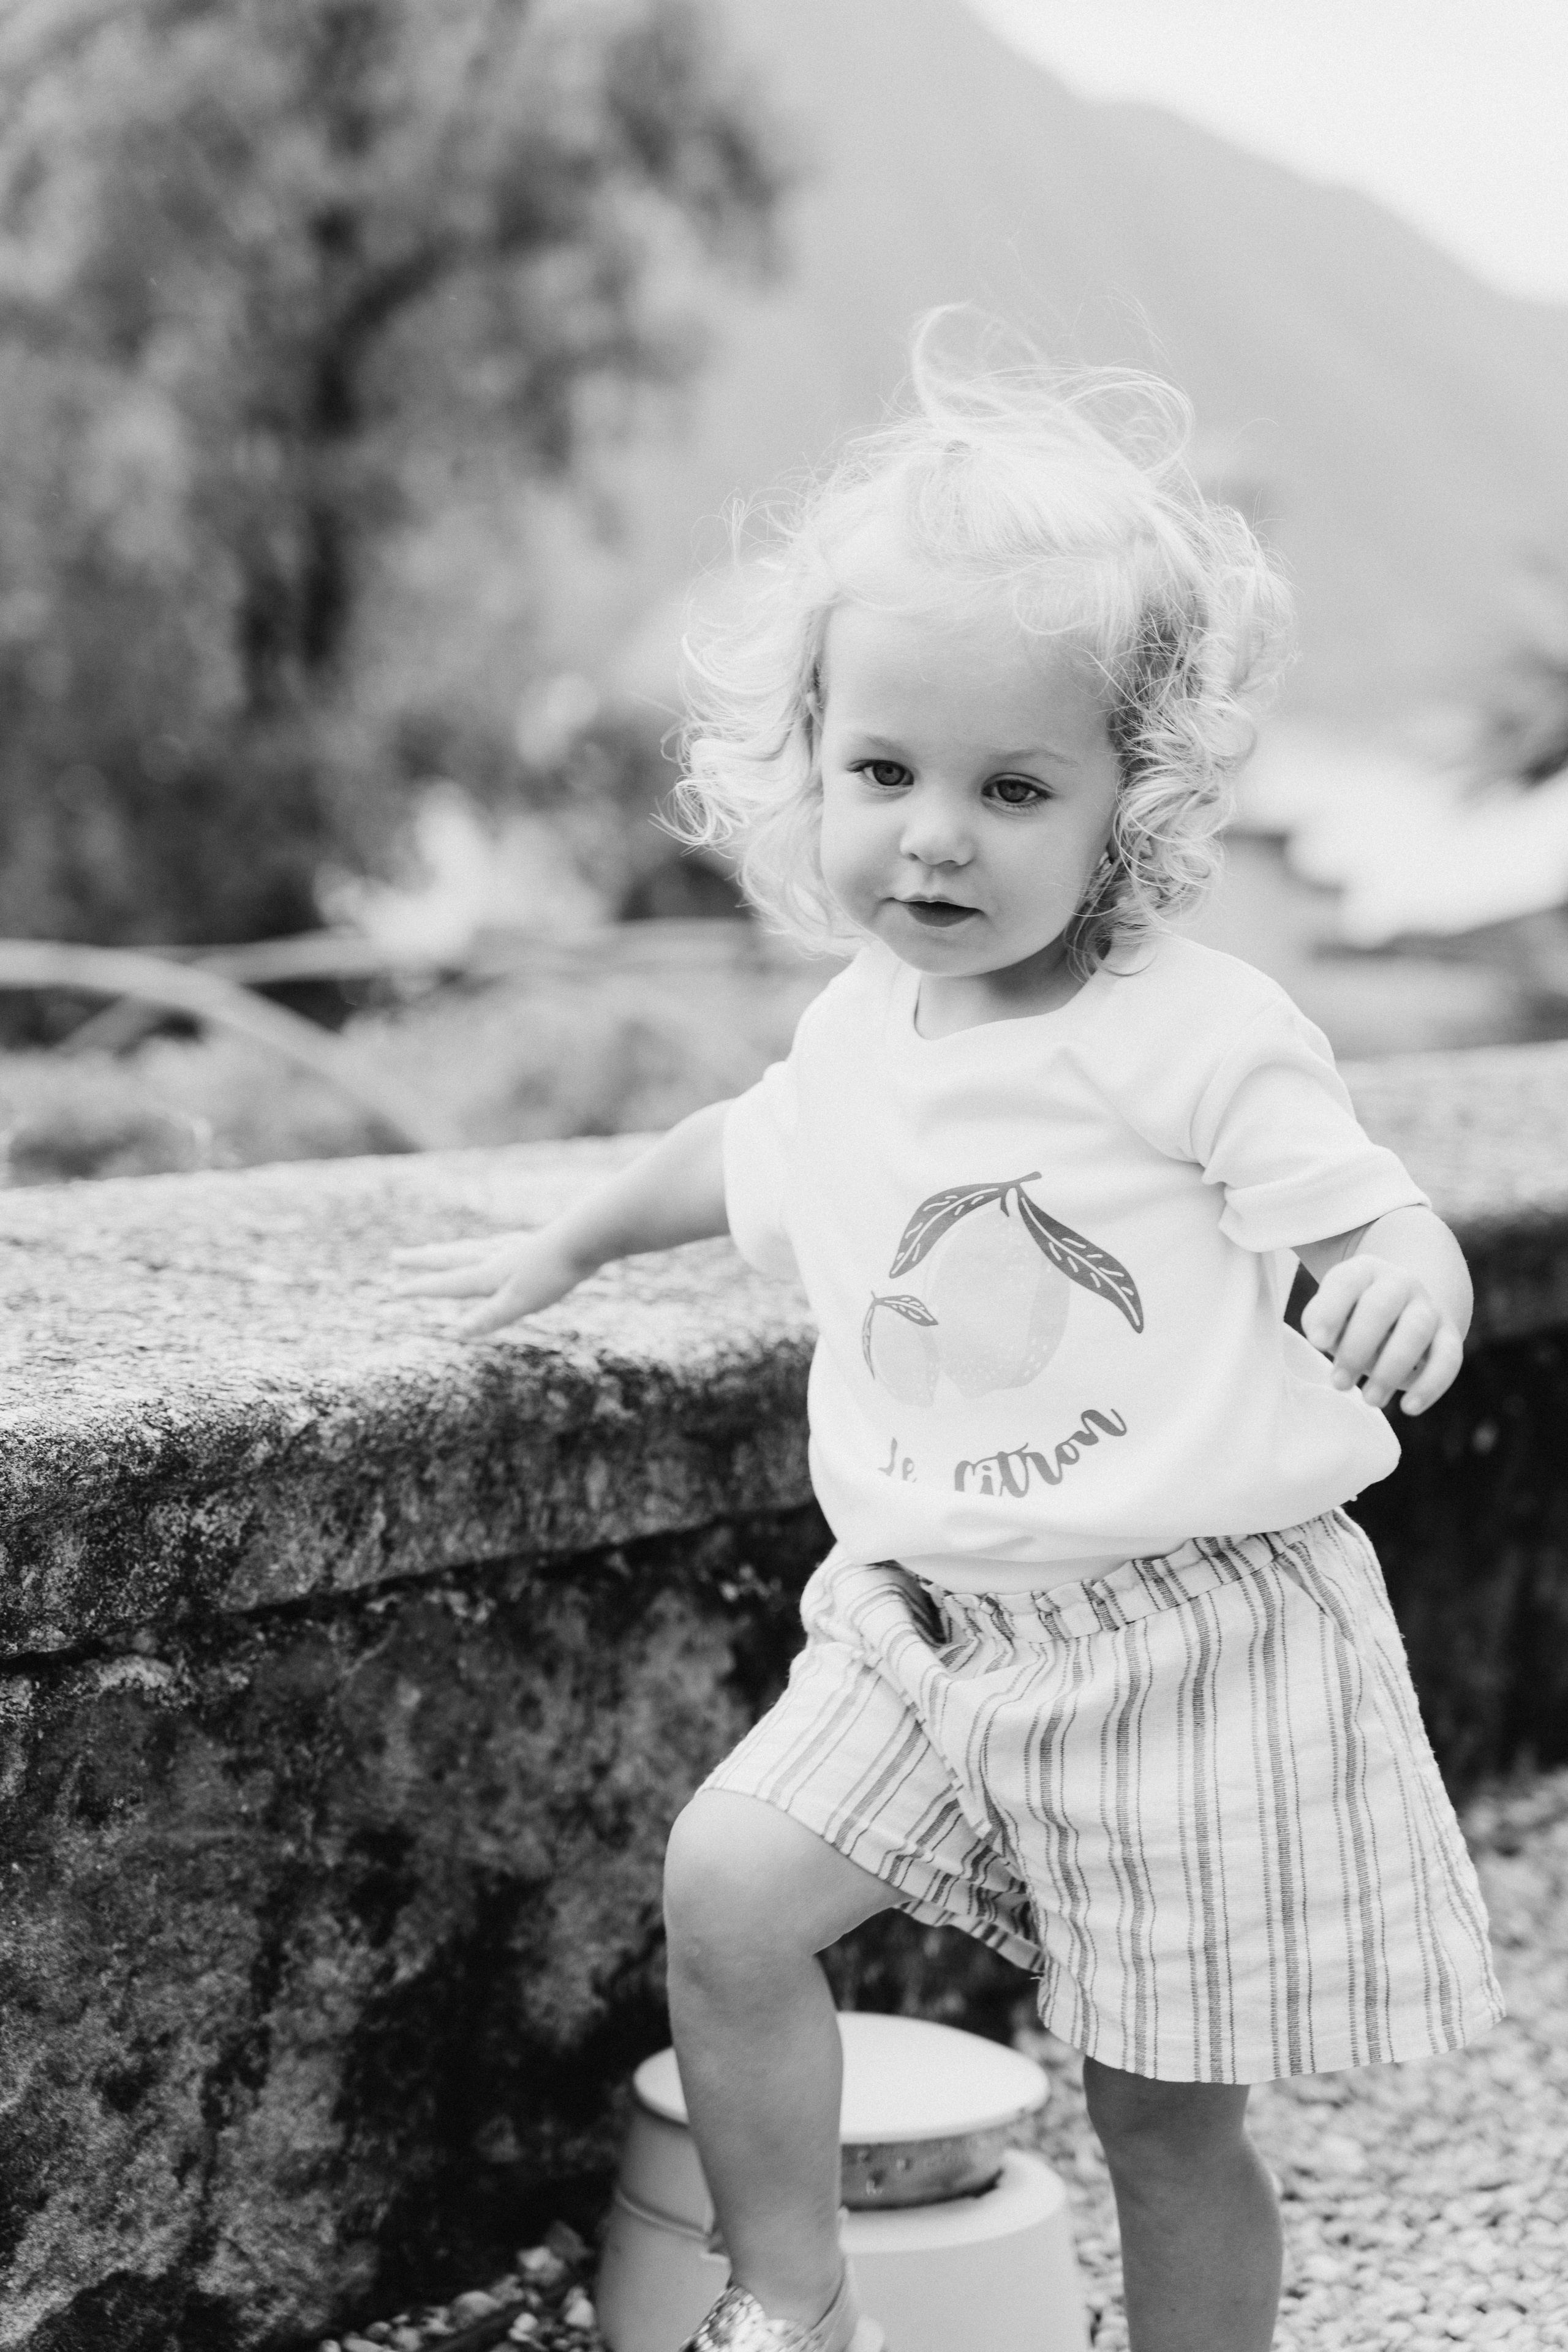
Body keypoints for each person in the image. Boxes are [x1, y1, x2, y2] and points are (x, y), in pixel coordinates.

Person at [395, 326, 1502, 2352]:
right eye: (883, 774)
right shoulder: (858, 1034)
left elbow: (1359, 1200)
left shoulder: (1190, 1030)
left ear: (1129, 802)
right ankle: (790, 2303)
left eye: (1012, 790)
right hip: (919, 1627)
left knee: (1163, 2121)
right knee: (730, 1890)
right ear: (805, 764)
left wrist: (1410, 1266)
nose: (934, 838)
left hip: (1188, 1642)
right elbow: (745, 1143)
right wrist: (562, 1238)